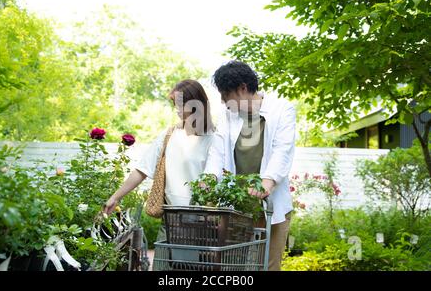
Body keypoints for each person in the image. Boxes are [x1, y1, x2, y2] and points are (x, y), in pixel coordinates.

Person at [203, 60, 296, 271]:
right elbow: (217, 153)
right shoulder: (228, 115)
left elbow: (283, 149)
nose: (223, 101)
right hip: (236, 207)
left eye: (226, 95)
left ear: (242, 88)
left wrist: (267, 182)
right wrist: (208, 180)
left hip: (272, 205)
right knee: (231, 264)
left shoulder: (282, 109)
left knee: (268, 266)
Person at [103, 79, 215, 239]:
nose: (177, 110)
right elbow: (142, 170)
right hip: (170, 222)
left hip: (204, 223)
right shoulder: (169, 136)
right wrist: (115, 197)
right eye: (175, 104)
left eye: (181, 104)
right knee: (163, 264)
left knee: (198, 265)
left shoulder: (213, 138)